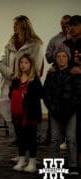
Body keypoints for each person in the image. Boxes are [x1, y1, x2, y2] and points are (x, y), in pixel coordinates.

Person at [0, 15, 44, 148]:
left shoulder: (36, 44)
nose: (14, 27)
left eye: (16, 25)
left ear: (24, 26)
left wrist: (22, 77)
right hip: (11, 83)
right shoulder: (9, 44)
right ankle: (20, 139)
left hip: (27, 85)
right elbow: (0, 63)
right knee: (15, 113)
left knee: (29, 113)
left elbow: (36, 66)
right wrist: (12, 75)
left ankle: (33, 141)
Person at [43, 47, 81, 175]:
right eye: (58, 56)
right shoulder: (51, 73)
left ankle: (73, 165)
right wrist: (52, 108)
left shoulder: (74, 73)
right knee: (54, 139)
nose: (61, 59)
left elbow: (77, 93)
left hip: (71, 111)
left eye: (64, 56)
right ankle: (54, 166)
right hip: (54, 111)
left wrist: (70, 108)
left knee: (71, 138)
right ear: (55, 58)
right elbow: (46, 93)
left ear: (68, 58)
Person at [10, 53, 42, 173]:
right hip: (18, 113)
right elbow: (10, 93)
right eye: (21, 63)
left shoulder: (34, 80)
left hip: (30, 113)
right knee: (20, 136)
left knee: (31, 137)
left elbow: (39, 94)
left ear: (31, 65)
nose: (23, 65)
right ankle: (22, 159)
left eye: (26, 63)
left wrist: (26, 96)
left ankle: (32, 161)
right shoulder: (16, 79)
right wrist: (17, 95)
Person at [44, 14, 71, 147]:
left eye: (67, 23)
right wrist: (56, 56)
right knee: (54, 103)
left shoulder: (76, 39)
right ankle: (52, 136)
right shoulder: (55, 39)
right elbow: (48, 56)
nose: (65, 26)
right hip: (56, 73)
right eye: (63, 23)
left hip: (71, 74)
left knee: (70, 105)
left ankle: (68, 138)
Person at [64, 15, 81, 171]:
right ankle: (72, 161)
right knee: (70, 131)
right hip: (69, 91)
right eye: (70, 25)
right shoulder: (66, 44)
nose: (71, 28)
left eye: (75, 25)